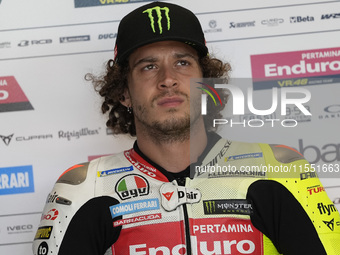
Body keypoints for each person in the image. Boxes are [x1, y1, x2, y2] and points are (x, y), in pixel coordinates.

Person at [33, 2, 340, 255]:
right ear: (123, 92)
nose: (168, 79)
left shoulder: (277, 171)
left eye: (182, 63)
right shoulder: (85, 190)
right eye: (148, 66)